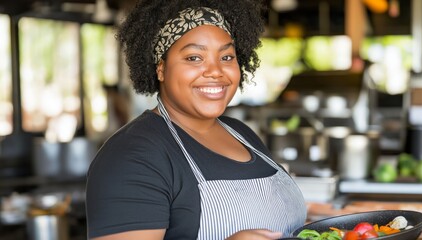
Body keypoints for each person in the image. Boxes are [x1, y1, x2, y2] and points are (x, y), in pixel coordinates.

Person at [85, 0, 307, 239]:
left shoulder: (243, 134)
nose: (215, 71)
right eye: (194, 58)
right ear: (161, 68)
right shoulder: (132, 155)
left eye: (226, 57)